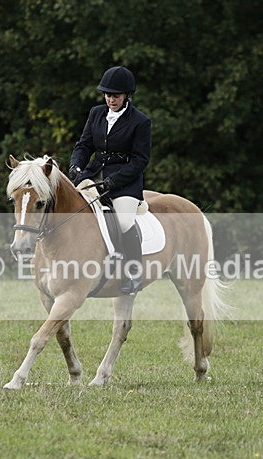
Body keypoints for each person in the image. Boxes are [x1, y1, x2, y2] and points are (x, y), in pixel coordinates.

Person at [69, 66, 152, 294]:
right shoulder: (96, 113)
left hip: (125, 181)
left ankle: (134, 274)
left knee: (124, 222)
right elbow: (84, 145)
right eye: (107, 94)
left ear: (127, 95)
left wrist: (114, 182)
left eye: (115, 95)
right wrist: (76, 166)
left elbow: (139, 160)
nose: (110, 99)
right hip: (94, 174)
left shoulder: (140, 121)